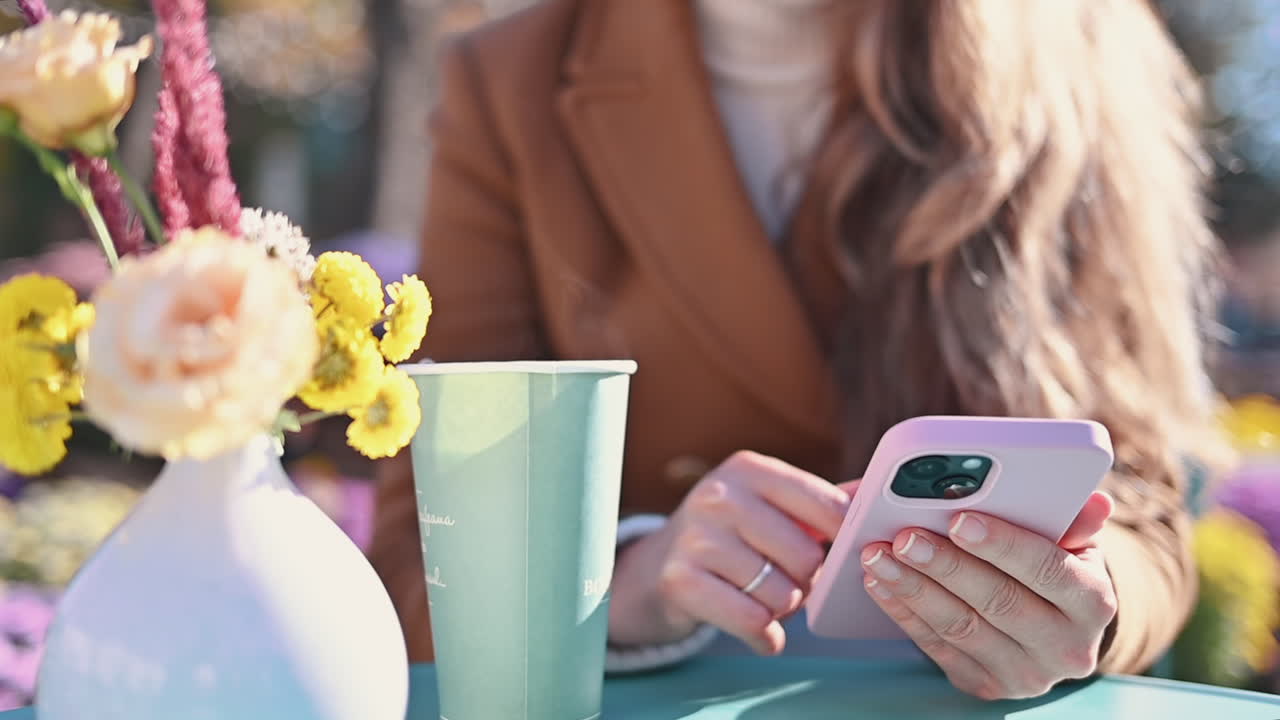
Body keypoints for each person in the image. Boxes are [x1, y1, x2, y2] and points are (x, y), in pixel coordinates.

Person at [369, 0, 1226, 700]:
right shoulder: (511, 80)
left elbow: (1143, 498)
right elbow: (430, 550)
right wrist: (621, 581)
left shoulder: (1076, 39)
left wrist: (1075, 603)